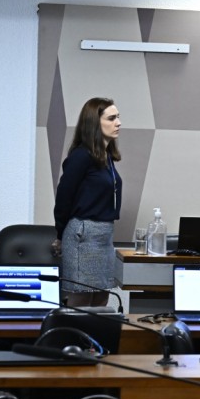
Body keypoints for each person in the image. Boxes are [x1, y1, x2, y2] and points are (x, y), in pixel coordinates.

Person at [52, 97, 123, 307]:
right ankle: (69, 332)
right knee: (80, 299)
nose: (118, 123)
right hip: (83, 235)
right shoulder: (81, 156)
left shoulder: (106, 156)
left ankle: (96, 333)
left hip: (104, 235)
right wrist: (60, 234)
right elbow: (64, 197)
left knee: (102, 297)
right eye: (111, 118)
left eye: (118, 117)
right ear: (94, 123)